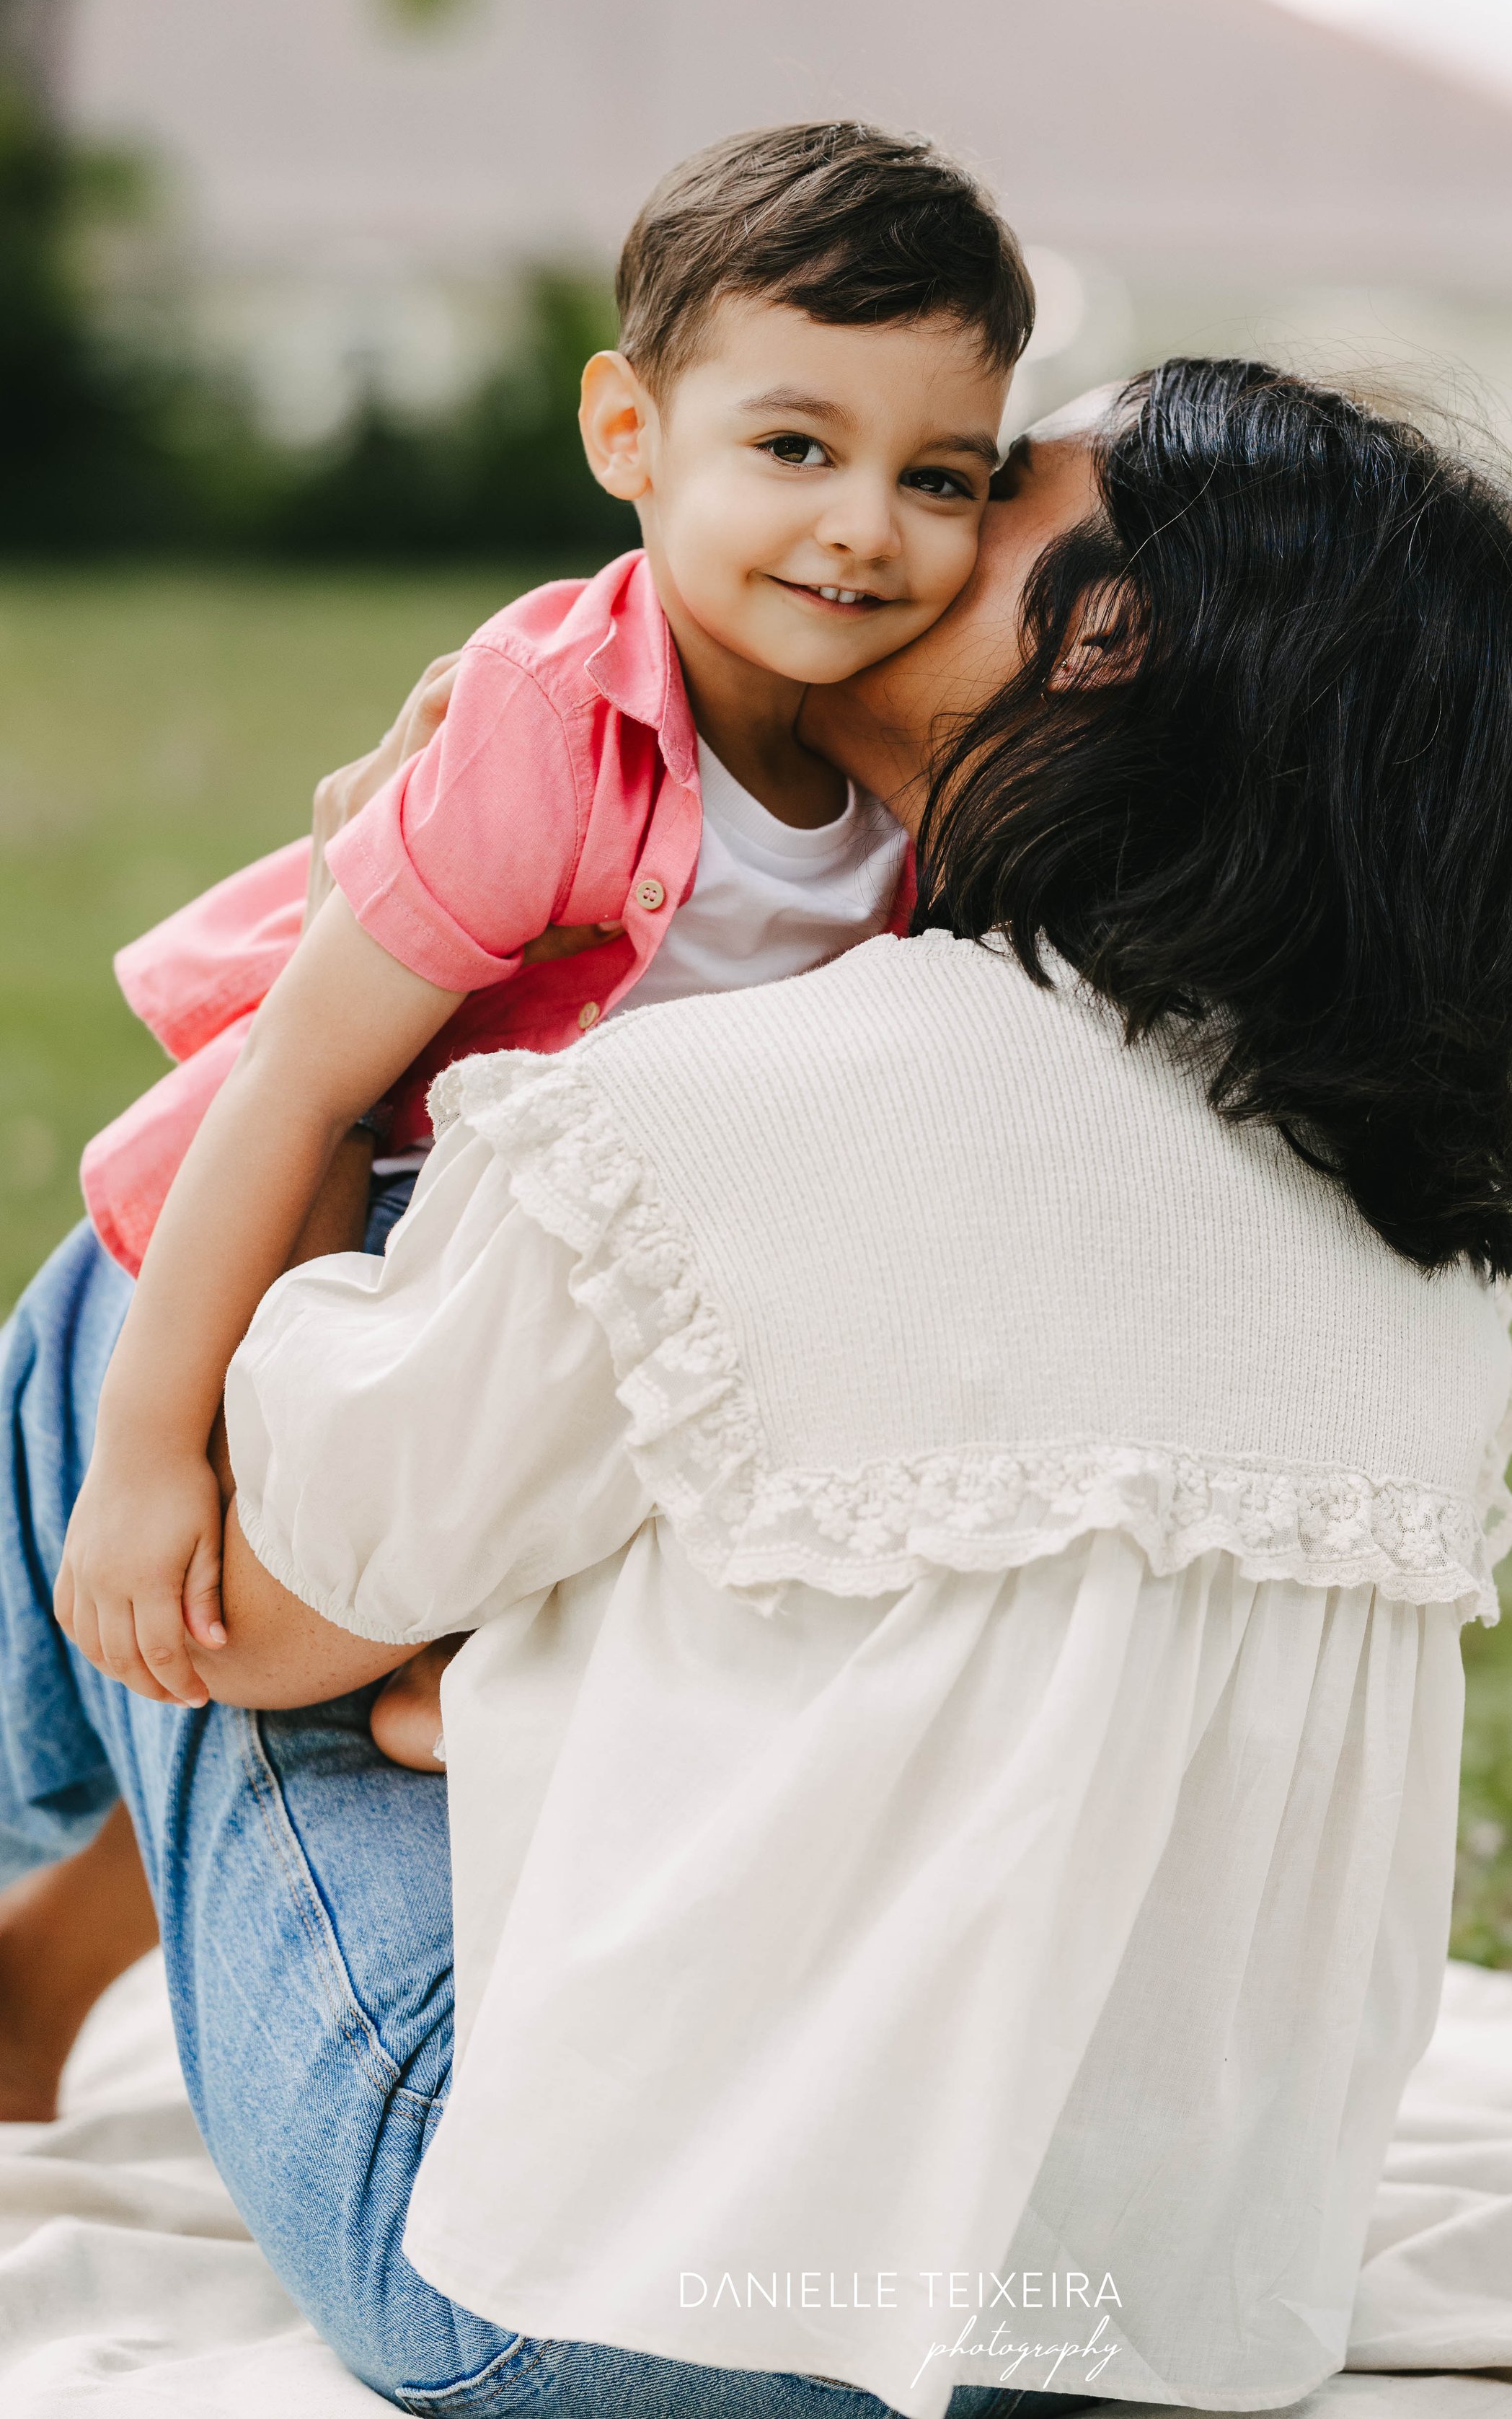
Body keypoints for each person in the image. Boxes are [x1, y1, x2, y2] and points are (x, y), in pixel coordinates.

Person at [0, 359, 1512, 2419]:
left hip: (610, 2310)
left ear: (1101, 652)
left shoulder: (748, 1110)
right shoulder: (1424, 1235)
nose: (880, 537)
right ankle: (36, 1979)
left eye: (973, 490)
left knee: (136, 1306)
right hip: (1122, 2310)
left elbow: (269, 1618)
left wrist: (359, 959)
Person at [56, 120, 1033, 1766]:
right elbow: (294, 1088)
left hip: (655, 1251)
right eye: (793, 447)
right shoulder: (551, 726)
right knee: (240, 1609)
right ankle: (403, 1641)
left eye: (936, 478)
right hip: (393, 1202)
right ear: (625, 431)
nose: (867, 525)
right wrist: (146, 1452)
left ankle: (487, 1657)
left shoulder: (910, 775)